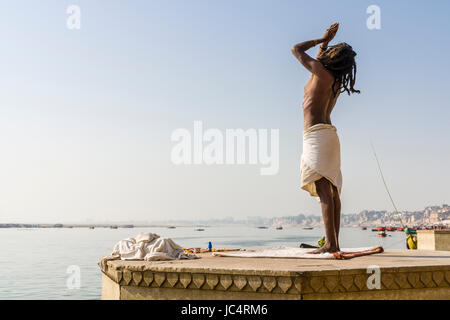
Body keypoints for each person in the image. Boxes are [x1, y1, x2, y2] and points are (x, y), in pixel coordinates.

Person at [291, 23, 360, 254]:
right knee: (332, 191)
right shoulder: (334, 80)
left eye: (331, 51)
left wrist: (321, 40)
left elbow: (296, 49)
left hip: (317, 136)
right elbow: (317, 61)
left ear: (333, 57)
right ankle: (335, 242)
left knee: (324, 192)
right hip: (328, 136)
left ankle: (330, 243)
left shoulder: (321, 72)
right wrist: (326, 44)